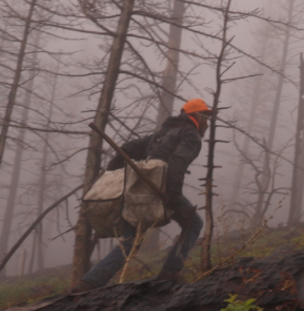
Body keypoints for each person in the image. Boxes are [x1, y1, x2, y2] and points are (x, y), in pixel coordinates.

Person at [75, 98, 211, 289]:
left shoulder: (162, 133)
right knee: (193, 223)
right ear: (196, 116)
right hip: (162, 188)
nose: (208, 123)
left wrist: (111, 171)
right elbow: (178, 162)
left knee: (131, 239)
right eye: (206, 117)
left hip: (141, 190)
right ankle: (170, 272)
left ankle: (90, 281)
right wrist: (173, 196)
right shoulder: (191, 135)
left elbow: (127, 148)